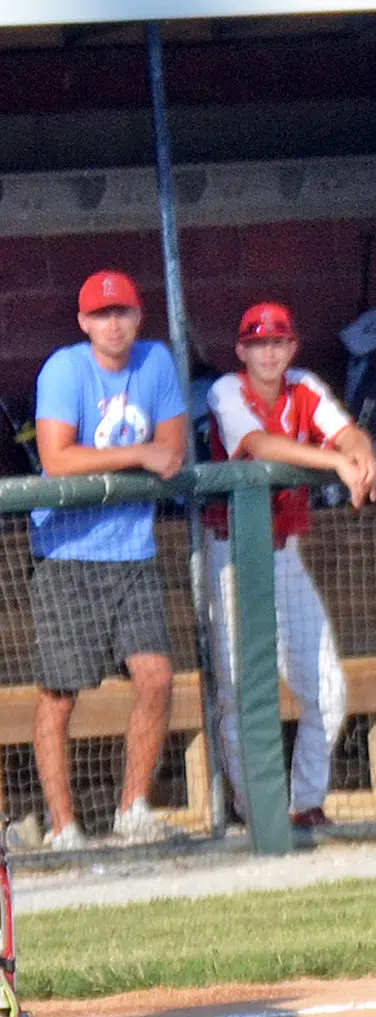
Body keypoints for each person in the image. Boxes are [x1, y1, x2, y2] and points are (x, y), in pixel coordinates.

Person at [202, 302, 376, 829]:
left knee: (328, 686)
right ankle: (258, 811)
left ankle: (305, 804)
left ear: (292, 346)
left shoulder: (302, 383)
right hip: (230, 554)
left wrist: (360, 451)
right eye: (258, 343)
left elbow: (343, 429)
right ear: (241, 350)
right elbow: (258, 446)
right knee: (238, 695)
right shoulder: (224, 390)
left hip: (283, 553)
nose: (269, 351)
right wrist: (335, 461)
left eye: (278, 341)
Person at [28, 271, 192, 850]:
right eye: (101, 314)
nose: (113, 323)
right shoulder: (65, 368)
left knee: (157, 675)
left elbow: (172, 452)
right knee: (60, 691)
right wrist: (137, 454)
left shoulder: (156, 362)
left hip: (133, 549)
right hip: (68, 552)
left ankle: (133, 810)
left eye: (121, 311)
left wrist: (148, 455)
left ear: (139, 315)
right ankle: (62, 826)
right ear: (83, 322)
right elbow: (58, 458)